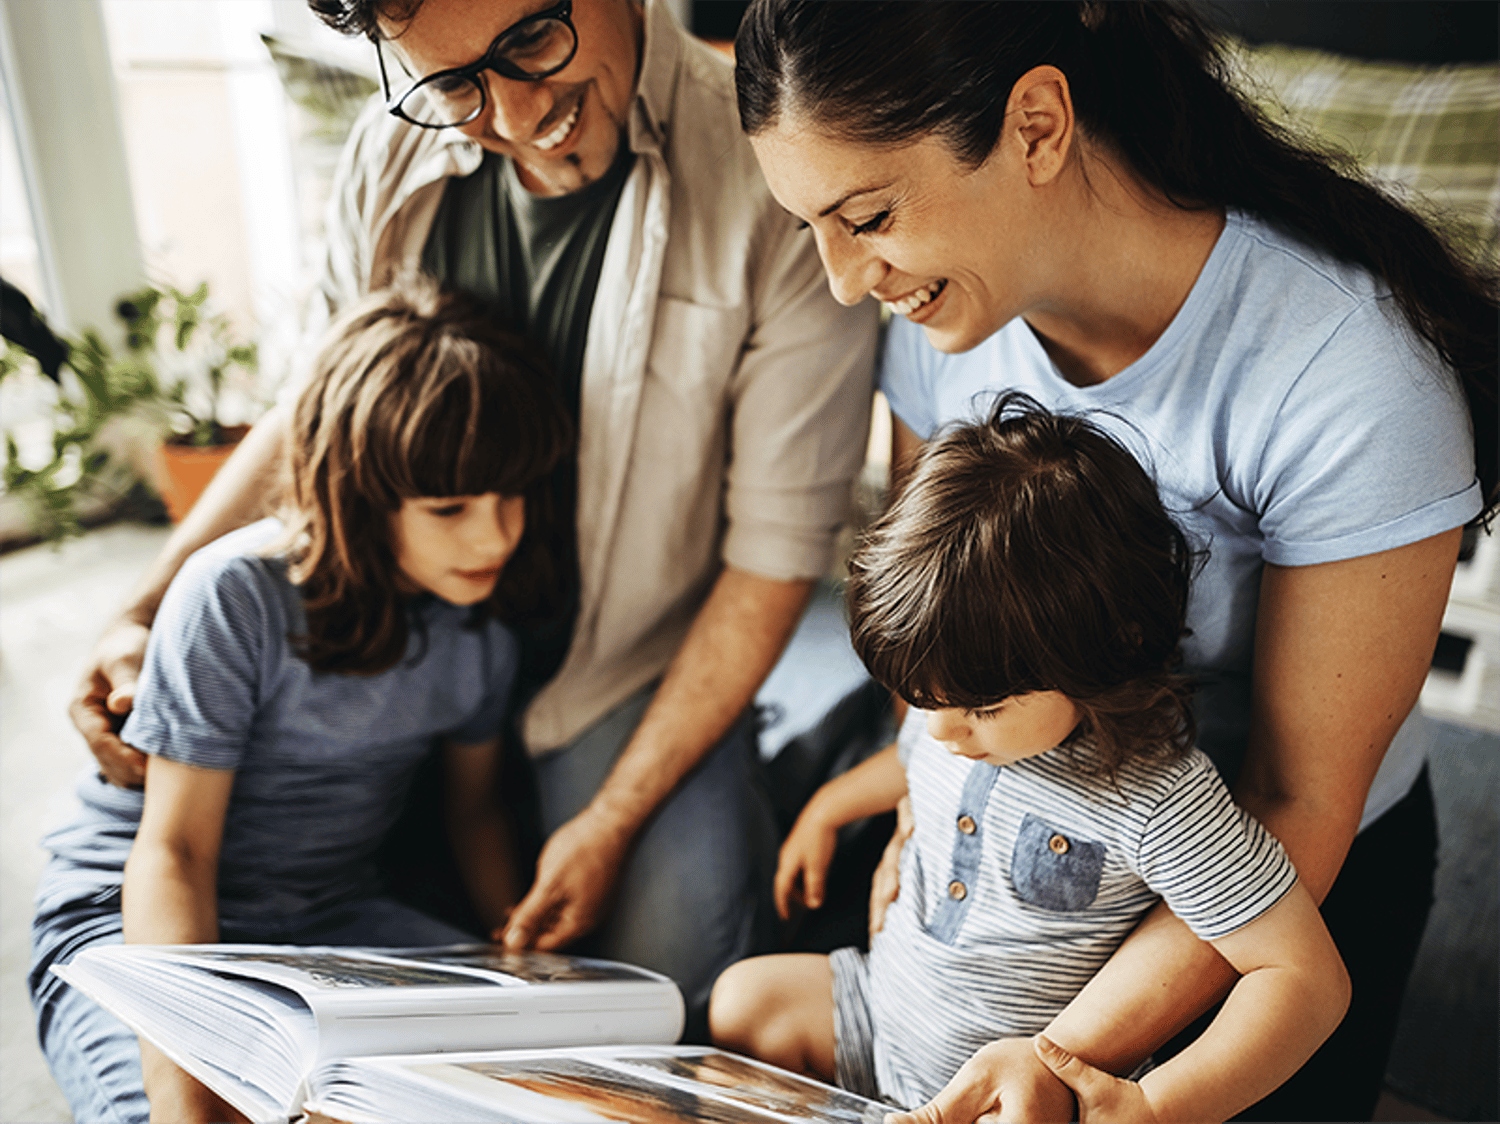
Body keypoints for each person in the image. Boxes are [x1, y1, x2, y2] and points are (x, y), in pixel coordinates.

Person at [732, 0, 1498, 1120]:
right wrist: (917, 818)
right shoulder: (941, 319)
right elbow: (937, 629)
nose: (847, 281)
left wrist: (1047, 1056)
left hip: (1258, 886)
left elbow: (1295, 803)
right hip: (1004, 833)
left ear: (1037, 124)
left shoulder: (1354, 382)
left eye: (870, 215)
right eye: (814, 227)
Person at [69, 0, 878, 1041]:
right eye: (453, 85)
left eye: (531, 44)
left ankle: (743, 763)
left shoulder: (771, 164)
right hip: (408, 658)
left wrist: (611, 819)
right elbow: (315, 413)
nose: (510, 111)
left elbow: (770, 560)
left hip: (626, 679)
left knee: (667, 985)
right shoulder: (391, 152)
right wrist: (143, 603)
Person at [710, 396, 1350, 1123]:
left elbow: (1305, 977)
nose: (944, 730)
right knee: (740, 1001)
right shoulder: (950, 705)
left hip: (1010, 1093)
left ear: (1111, 649)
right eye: (921, 699)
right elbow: (915, 758)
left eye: (981, 709)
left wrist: (1156, 1105)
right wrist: (833, 807)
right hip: (878, 1018)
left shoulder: (1159, 797)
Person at [30, 276, 573, 1124]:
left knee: (551, 1073)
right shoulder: (234, 596)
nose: (495, 535)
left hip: (334, 923)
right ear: (360, 493)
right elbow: (174, 856)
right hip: (141, 922)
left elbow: (476, 818)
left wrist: (519, 957)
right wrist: (190, 1104)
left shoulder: (482, 630)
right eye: (451, 506)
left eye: (515, 498)